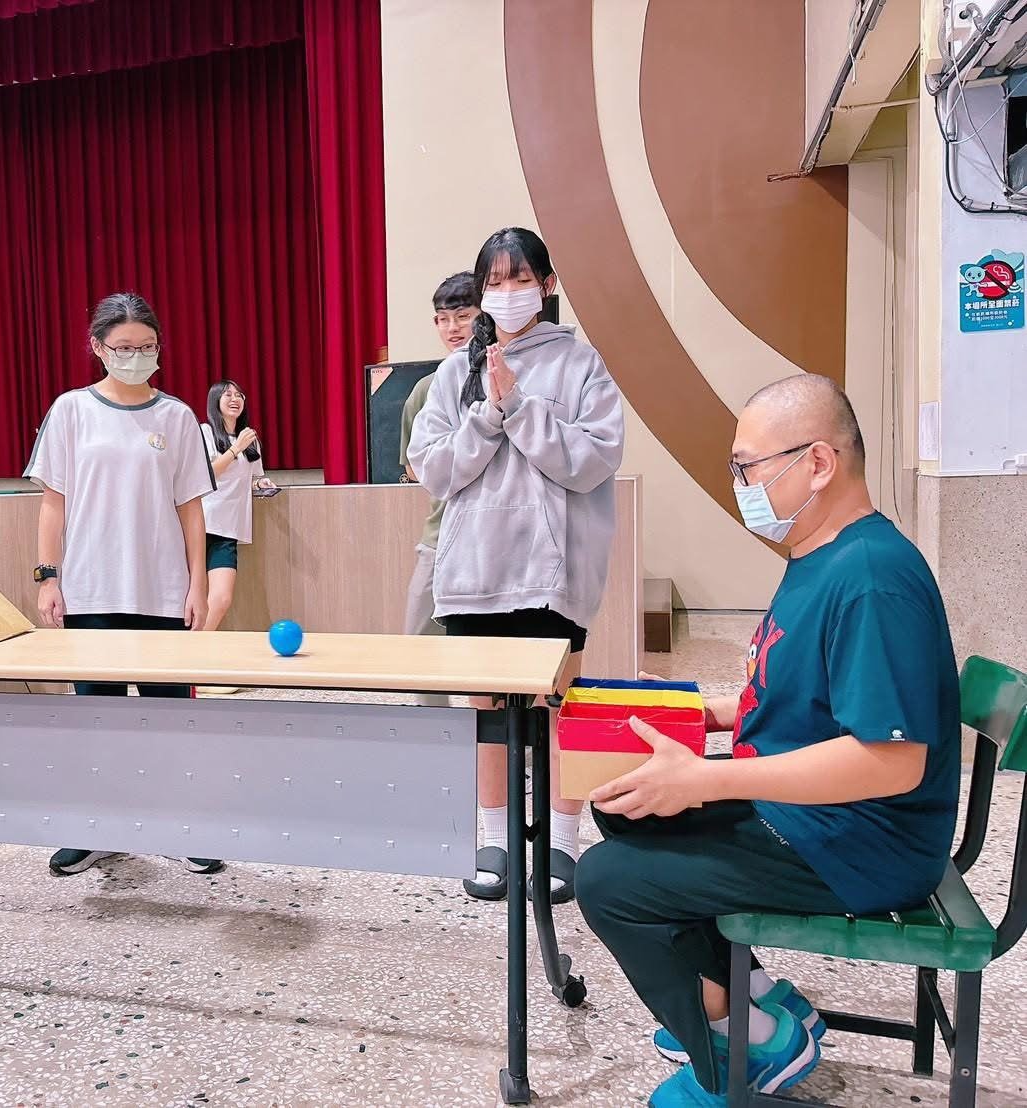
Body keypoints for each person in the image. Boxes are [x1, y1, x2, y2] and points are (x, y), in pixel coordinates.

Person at [575, 374, 960, 1107]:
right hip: (815, 815)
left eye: (748, 467)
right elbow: (802, 695)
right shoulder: (821, 557)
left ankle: (740, 1055)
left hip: (862, 841)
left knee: (609, 883)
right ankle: (749, 1001)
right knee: (624, 806)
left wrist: (707, 778)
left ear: (817, 463)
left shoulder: (872, 580)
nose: (741, 487)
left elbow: (890, 760)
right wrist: (707, 715)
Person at [408, 227, 624, 906]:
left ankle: (562, 839)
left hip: (553, 577)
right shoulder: (454, 373)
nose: (508, 293)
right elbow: (432, 470)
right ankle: (493, 837)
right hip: (474, 573)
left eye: (521, 279)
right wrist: (486, 414)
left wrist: (520, 408)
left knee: (559, 707)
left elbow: (592, 461)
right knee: (486, 715)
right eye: (495, 282)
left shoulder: (581, 364)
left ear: (547, 285)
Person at [25, 292, 217, 878]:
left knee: (169, 719)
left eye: (146, 347)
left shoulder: (177, 417)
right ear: (98, 348)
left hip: (162, 591)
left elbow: (191, 509)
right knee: (97, 720)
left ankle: (179, 824)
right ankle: (95, 828)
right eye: (124, 348)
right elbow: (52, 505)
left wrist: (198, 585)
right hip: (91, 592)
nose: (136, 357)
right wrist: (48, 577)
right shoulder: (71, 411)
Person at [399, 272, 478, 709]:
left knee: (498, 651)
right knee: (420, 644)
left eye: (463, 316)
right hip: (441, 535)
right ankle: (434, 734)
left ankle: (503, 740)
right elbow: (415, 467)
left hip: (499, 540)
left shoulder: (509, 377)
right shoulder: (425, 390)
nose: (453, 328)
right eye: (443, 319)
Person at [200, 380, 276, 632]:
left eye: (239, 395)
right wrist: (236, 448)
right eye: (228, 395)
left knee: (221, 598)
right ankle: (188, 649)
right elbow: (207, 474)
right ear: (215, 401)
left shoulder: (249, 439)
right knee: (189, 597)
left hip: (229, 528)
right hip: (201, 524)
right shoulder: (205, 432)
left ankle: (194, 646)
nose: (235, 399)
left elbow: (251, 479)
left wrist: (260, 484)